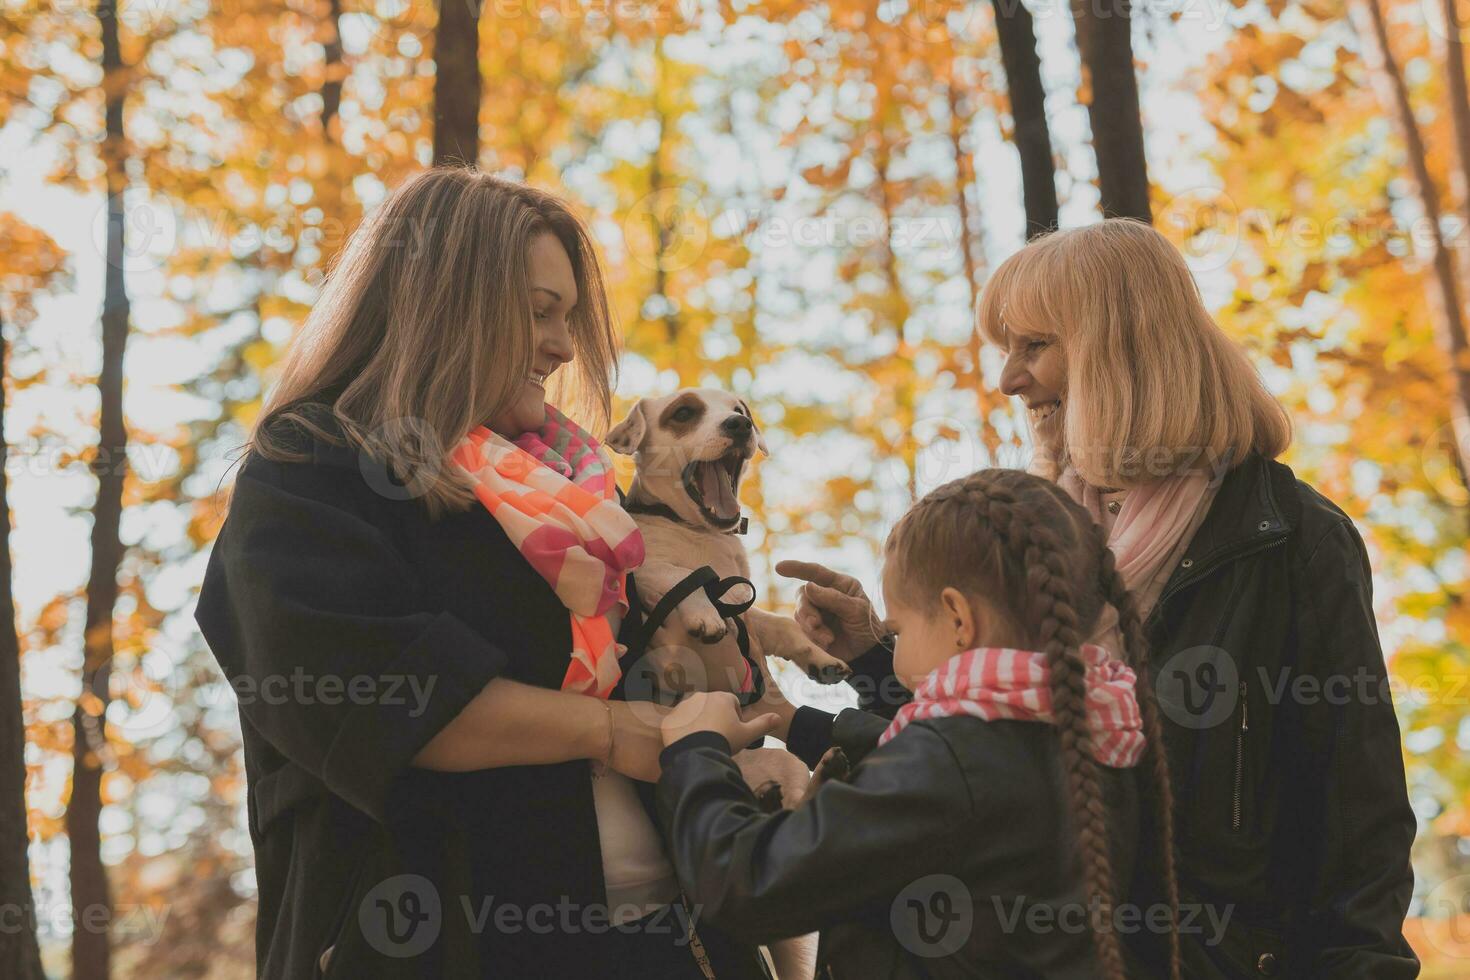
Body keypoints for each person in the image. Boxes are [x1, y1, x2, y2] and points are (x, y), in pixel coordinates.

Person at [774, 219, 1419, 978]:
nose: (1009, 380)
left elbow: (1359, 818)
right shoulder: (1031, 533)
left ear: (1120, 346)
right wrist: (873, 657)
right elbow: (980, 760)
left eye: (1033, 346)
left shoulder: (1290, 537)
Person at [194, 167, 771, 978]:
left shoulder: (570, 502)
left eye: (568, 318)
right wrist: (612, 731)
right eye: (540, 313)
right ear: (442, 303)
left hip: (674, 944)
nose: (564, 346)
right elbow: (383, 695)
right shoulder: (310, 470)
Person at [656, 468, 1183, 979]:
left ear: (958, 618)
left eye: (897, 628)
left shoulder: (952, 760)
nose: (893, 642)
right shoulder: (1100, 724)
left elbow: (747, 884)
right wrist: (869, 666)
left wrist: (695, 749)